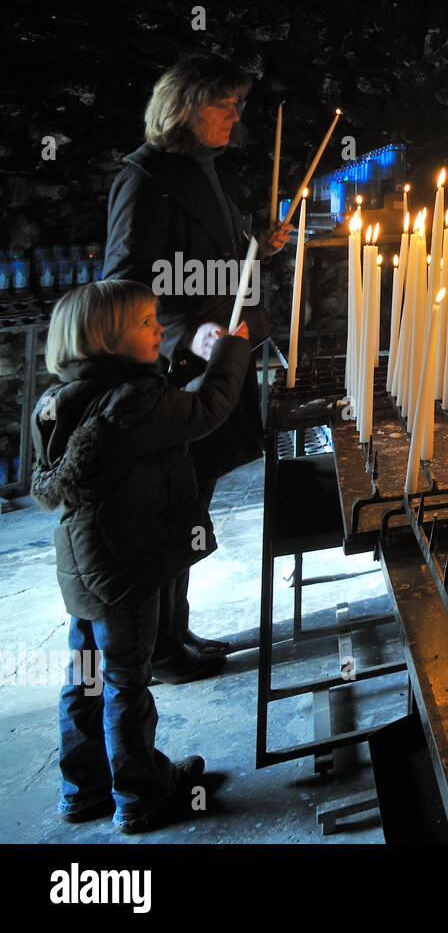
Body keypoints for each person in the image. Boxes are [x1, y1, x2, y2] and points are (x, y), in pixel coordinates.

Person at [32, 280, 250, 832]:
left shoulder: (59, 401)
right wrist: (233, 349)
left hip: (83, 568)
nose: (159, 328)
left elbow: (164, 401)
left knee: (85, 674)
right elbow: (205, 409)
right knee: (128, 679)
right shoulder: (132, 402)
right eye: (146, 323)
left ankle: (83, 787)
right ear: (106, 338)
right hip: (126, 568)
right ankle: (141, 793)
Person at [104, 53, 290, 683]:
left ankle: (175, 629)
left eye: (240, 105)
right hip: (176, 368)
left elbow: (211, 249)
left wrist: (256, 244)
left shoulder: (203, 168)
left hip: (214, 356)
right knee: (166, 513)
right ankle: (156, 650)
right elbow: (127, 280)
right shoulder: (145, 176)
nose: (235, 116)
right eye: (225, 104)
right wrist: (179, 339)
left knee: (190, 503)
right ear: (185, 106)